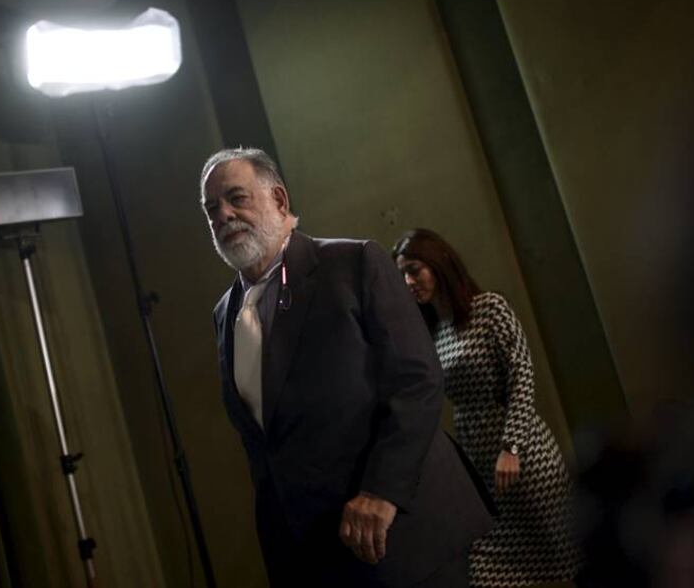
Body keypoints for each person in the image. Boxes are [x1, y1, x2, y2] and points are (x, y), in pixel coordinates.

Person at [200, 149, 493, 587]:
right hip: (317, 558)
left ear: (279, 200)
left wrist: (381, 492)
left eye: (236, 198)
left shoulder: (353, 263)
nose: (223, 214)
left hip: (401, 536)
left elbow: (417, 382)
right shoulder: (225, 313)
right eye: (211, 209)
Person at [392, 228, 581, 587]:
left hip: (524, 456)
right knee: (487, 572)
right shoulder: (435, 333)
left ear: (439, 262)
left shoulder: (489, 308)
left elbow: (522, 377)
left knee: (566, 557)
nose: (408, 281)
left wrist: (512, 447)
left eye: (414, 269)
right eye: (402, 273)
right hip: (481, 463)